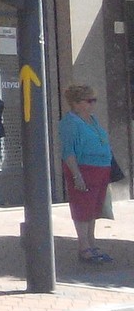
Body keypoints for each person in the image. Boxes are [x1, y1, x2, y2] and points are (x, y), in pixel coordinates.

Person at [60, 83, 115, 265]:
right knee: (82, 208)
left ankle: (92, 244)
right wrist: (77, 175)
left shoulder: (93, 119)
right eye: (89, 100)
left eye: (94, 100)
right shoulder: (69, 123)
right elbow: (68, 151)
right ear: (76, 103)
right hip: (84, 169)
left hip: (101, 168)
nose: (93, 104)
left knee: (93, 209)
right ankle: (84, 247)